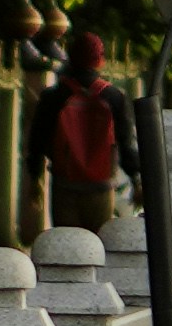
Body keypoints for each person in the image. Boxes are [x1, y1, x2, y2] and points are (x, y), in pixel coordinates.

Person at [37, 23, 135, 237]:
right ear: (100, 59)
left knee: (66, 248)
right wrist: (137, 178)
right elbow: (126, 145)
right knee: (96, 250)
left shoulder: (53, 97)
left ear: (70, 57)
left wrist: (34, 178)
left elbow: (38, 142)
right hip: (101, 188)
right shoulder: (114, 97)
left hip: (65, 187)